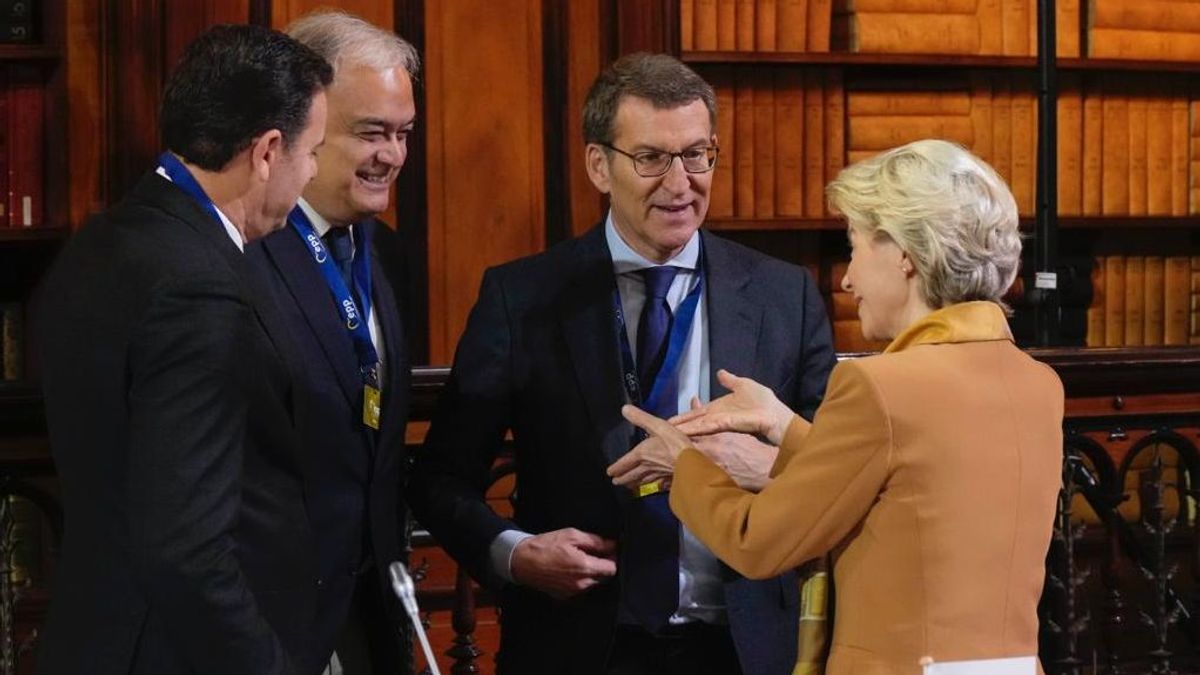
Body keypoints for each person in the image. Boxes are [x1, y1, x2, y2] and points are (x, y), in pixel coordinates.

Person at [407, 52, 836, 675]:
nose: (680, 182)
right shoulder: (523, 298)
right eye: (652, 159)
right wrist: (515, 553)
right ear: (598, 165)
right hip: (578, 644)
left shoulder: (782, 296)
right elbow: (440, 477)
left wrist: (764, 466)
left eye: (697, 154)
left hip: (744, 649)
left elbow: (835, 470)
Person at [612, 139, 1064, 674]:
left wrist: (682, 462)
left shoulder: (879, 386)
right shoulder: (1039, 383)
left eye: (854, 246)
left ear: (903, 255)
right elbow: (913, 482)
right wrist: (788, 428)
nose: (847, 279)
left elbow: (759, 541)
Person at [36, 25, 331, 675]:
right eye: (313, 151)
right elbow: (184, 546)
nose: (311, 173)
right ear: (267, 151)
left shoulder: (99, 244)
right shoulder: (198, 286)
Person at [246, 10, 419, 675]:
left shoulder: (384, 252)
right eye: (372, 132)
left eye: (403, 134)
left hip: (369, 613)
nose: (393, 156)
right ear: (301, 124)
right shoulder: (246, 254)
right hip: (276, 625)